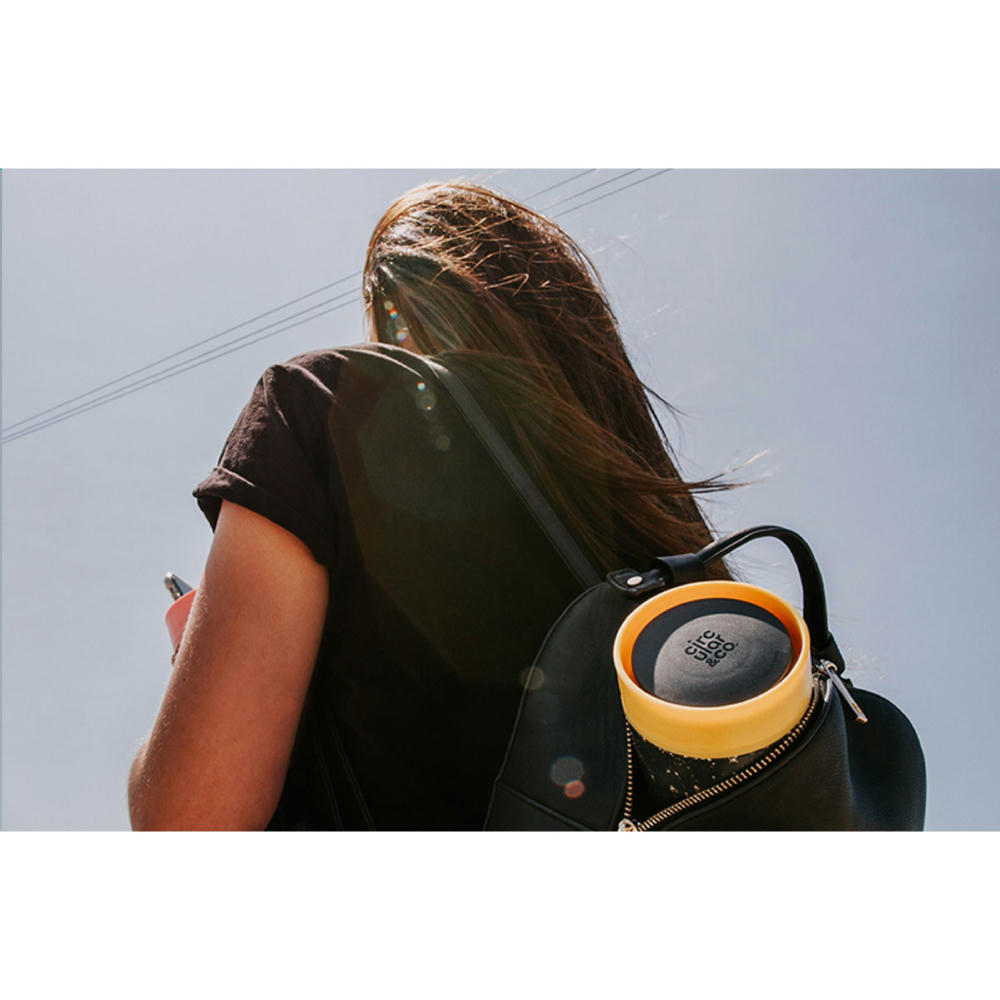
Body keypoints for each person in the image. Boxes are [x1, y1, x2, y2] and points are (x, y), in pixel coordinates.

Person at [127, 181, 728, 831]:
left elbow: (187, 819)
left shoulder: (324, 405)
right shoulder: (670, 543)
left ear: (399, 312)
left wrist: (196, 661)